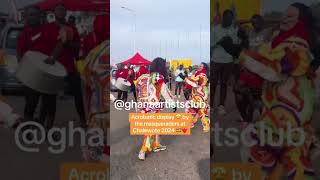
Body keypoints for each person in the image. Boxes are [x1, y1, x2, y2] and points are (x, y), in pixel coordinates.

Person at [239, 3, 318, 179]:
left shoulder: (298, 45)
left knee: (288, 157)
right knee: (279, 157)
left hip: (291, 110)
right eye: (284, 15)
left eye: (290, 17)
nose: (284, 18)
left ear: (301, 22)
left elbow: (275, 72)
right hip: (279, 107)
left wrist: (246, 58)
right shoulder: (279, 40)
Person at [41, 4, 86, 128]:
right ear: (53, 12)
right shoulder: (47, 28)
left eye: (63, 10)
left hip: (68, 67)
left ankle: (83, 120)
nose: (60, 12)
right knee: (49, 96)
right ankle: (48, 123)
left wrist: (68, 43)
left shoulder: (71, 28)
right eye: (58, 9)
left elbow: (78, 47)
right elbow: (42, 48)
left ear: (66, 12)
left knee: (78, 93)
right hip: (52, 66)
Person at [17, 5, 57, 131]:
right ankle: (27, 128)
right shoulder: (23, 34)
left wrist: (53, 57)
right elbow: (20, 55)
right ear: (26, 17)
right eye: (30, 15)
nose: (32, 17)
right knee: (31, 103)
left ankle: (47, 129)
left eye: (35, 14)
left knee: (50, 103)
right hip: (31, 75)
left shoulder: (49, 30)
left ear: (40, 16)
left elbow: (58, 45)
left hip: (49, 72)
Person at [135, 57, 175, 160]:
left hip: (143, 107)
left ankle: (157, 144)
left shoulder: (144, 77)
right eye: (165, 65)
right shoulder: (158, 78)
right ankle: (142, 151)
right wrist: (173, 104)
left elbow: (138, 93)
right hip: (152, 108)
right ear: (162, 66)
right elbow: (165, 93)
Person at [234, 14, 269, 126]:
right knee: (238, 89)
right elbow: (237, 23)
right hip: (249, 66)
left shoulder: (268, 32)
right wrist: (250, 20)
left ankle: (262, 119)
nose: (255, 24)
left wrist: (263, 20)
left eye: (257, 22)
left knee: (261, 94)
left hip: (263, 67)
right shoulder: (250, 32)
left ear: (262, 22)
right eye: (253, 23)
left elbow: (280, 23)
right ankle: (247, 117)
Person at [211, 9, 239, 115]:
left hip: (228, 61)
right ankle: (211, 106)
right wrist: (219, 41)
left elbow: (236, 46)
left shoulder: (234, 31)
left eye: (230, 18)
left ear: (232, 19)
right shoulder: (215, 29)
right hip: (216, 60)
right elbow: (210, 44)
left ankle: (221, 106)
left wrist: (230, 43)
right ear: (223, 18)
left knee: (224, 84)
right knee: (213, 84)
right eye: (226, 18)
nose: (228, 20)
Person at [185, 62, 209, 132]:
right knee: (197, 108)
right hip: (198, 94)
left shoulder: (202, 75)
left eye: (201, 66)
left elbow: (195, 82)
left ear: (204, 68)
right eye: (199, 65)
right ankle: (193, 121)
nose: (199, 67)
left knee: (199, 109)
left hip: (200, 94)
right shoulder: (198, 73)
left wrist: (186, 79)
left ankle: (205, 125)